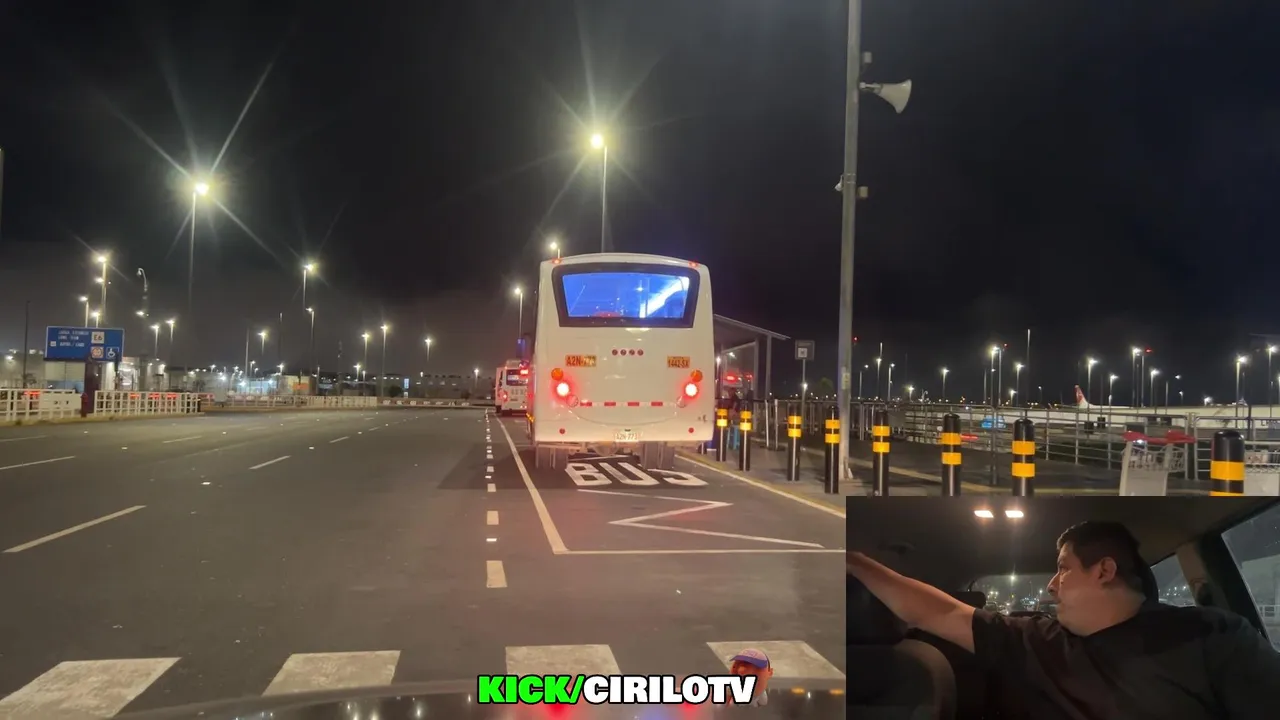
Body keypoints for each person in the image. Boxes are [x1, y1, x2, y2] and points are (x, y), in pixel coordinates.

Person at [846, 520, 1280, 719]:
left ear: (1104, 571)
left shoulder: (1213, 635)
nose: (1052, 585)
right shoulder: (1036, 638)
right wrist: (855, 562)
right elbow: (938, 611)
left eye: (1063, 569)